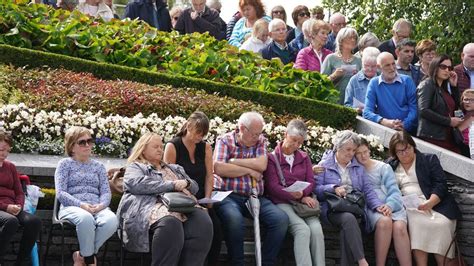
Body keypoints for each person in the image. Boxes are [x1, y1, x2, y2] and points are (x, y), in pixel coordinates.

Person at [117, 132, 213, 265]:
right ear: (143, 150)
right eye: (155, 147)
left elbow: (195, 186)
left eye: (161, 146)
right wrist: (172, 185)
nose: (160, 150)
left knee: (203, 222)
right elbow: (136, 184)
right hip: (150, 207)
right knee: (170, 224)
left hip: (181, 206)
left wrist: (187, 183)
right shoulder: (136, 166)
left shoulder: (174, 168)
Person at [213, 112, 289, 266]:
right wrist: (249, 170)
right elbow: (219, 168)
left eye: (259, 133)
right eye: (254, 133)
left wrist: (234, 161)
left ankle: (267, 262)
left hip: (255, 196)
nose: (257, 137)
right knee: (234, 219)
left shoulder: (260, 141)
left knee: (280, 220)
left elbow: (262, 165)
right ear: (242, 128)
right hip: (228, 196)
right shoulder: (225, 141)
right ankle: (237, 262)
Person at [386, 131, 462, 266]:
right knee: (416, 221)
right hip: (410, 206)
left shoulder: (429, 159)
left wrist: (431, 202)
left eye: (407, 148)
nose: (405, 153)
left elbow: (440, 184)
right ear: (394, 152)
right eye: (400, 151)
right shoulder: (390, 166)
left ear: (413, 145)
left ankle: (444, 263)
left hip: (436, 204)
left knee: (442, 225)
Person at [314, 130, 384, 266]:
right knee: (349, 219)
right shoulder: (324, 165)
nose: (351, 153)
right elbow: (316, 190)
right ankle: (362, 261)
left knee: (349, 224)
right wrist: (333, 188)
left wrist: (377, 205)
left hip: (353, 207)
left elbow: (368, 190)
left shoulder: (358, 167)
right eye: (347, 149)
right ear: (338, 147)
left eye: (353, 150)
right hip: (331, 208)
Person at [163, 111, 222, 266]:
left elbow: (210, 175)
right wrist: (190, 198)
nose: (199, 138)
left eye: (203, 135)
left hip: (202, 197)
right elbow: (168, 178)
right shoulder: (173, 146)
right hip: (181, 199)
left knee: (217, 230)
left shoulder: (206, 148)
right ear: (188, 127)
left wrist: (208, 200)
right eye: (198, 133)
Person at [264, 119, 325, 266]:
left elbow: (311, 181)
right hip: (282, 202)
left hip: (302, 202)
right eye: (294, 140)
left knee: (316, 231)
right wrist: (294, 195)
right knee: (302, 230)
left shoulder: (304, 157)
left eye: (300, 142)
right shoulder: (272, 158)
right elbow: (272, 186)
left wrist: (303, 194)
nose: (296, 145)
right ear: (285, 135)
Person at [55, 126, 118, 266]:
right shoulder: (64, 165)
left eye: (90, 141)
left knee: (112, 221)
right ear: (71, 147)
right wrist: (82, 205)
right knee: (85, 218)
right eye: (82, 142)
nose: (87, 145)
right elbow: (61, 193)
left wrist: (101, 205)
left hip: (97, 207)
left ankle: (82, 255)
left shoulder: (99, 167)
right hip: (72, 207)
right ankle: (90, 261)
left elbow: (106, 192)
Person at [355, 138, 412, 266]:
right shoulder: (355, 170)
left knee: (400, 227)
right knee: (385, 222)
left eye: (365, 151)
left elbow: (394, 190)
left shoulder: (383, 167)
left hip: (392, 205)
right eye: (358, 153)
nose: (363, 155)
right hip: (372, 206)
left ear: (369, 150)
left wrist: (390, 205)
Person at [0, 130, 42, 266]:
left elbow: (19, 192)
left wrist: (18, 206)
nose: (4, 154)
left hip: (12, 207)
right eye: (1, 150)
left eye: (7, 150)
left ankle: (20, 262)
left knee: (34, 221)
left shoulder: (10, 166)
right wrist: (6, 207)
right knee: (11, 221)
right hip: (2, 208)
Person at [363, 52, 418, 135]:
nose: (392, 68)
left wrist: (404, 124)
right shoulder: (374, 83)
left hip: (408, 132)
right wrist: (384, 121)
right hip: (385, 131)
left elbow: (414, 108)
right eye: (387, 65)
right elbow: (367, 112)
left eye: (393, 64)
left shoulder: (407, 81)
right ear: (378, 67)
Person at [417, 54, 461, 153]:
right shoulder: (427, 84)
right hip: (433, 137)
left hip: (448, 137)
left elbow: (457, 107)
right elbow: (423, 110)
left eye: (450, 68)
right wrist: (448, 121)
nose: (447, 70)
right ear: (435, 66)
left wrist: (454, 87)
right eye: (443, 67)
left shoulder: (443, 88)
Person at [322, 27, 362, 104]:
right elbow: (321, 82)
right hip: (334, 100)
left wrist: (358, 76)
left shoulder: (359, 60)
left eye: (355, 38)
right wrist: (334, 75)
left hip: (352, 102)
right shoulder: (331, 58)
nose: (353, 40)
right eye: (350, 37)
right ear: (341, 39)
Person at [344, 47, 380, 114]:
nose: (369, 69)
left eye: (373, 66)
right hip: (360, 119)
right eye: (366, 65)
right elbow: (347, 105)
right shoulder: (354, 80)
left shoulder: (383, 79)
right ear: (362, 63)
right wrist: (355, 110)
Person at [458, 89, 474, 158]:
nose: (468, 102)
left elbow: (458, 130)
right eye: (466, 99)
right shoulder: (458, 114)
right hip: (459, 149)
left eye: (472, 100)